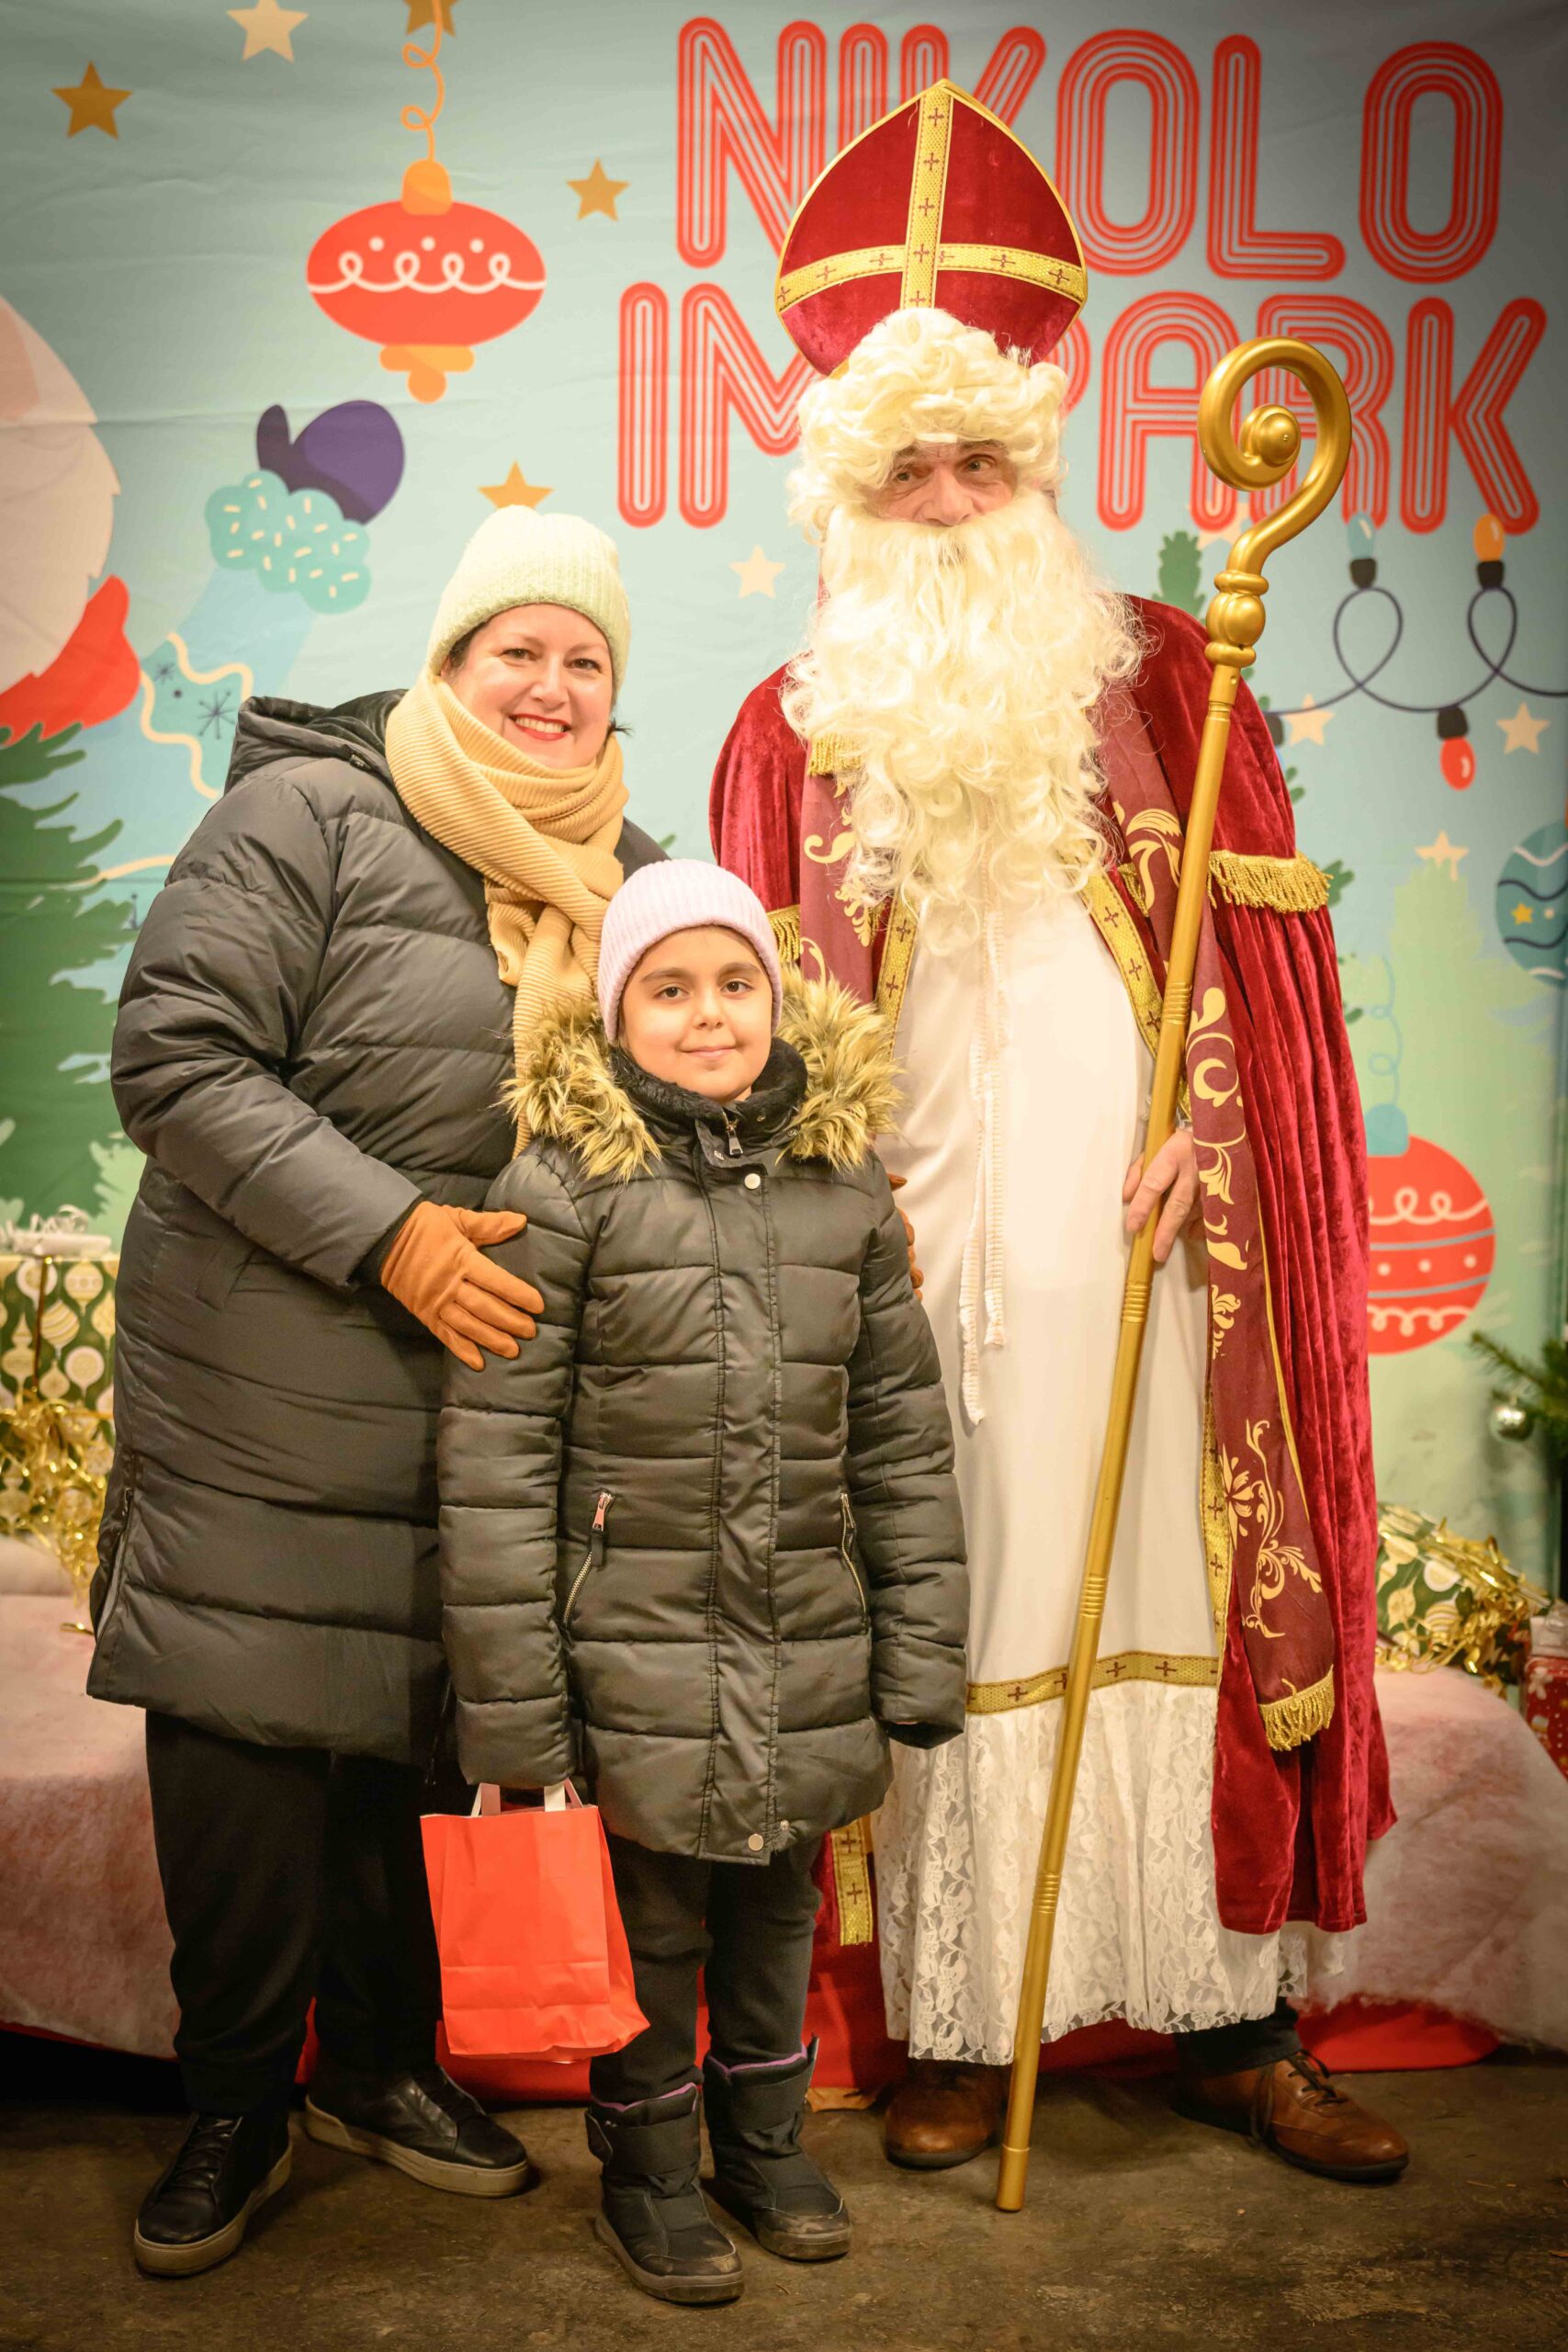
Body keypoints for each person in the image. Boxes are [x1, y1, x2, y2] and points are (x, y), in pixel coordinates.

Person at [712, 82, 1407, 2185]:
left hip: (1153, 1251)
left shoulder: (1179, 680)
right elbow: (740, 1042)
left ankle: (1226, 2019)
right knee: (956, 1615)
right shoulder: (785, 731)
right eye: (906, 466)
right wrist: (834, 1217)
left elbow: (1269, 1003)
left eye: (981, 460)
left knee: (1178, 1588)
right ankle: (954, 2020)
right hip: (914, 1268)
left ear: (1035, 469)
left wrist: (1218, 1141)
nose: (946, 499)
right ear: (850, 490)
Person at [89, 507, 665, 2275]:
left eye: (586, 660)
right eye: (519, 651)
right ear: (450, 659)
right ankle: (235, 2105)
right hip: (262, 1382)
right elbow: (175, 1056)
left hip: (478, 1410)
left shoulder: (634, 876)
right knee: (250, 1755)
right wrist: (394, 1234)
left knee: (417, 1754)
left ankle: (382, 2069)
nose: (552, 687)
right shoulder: (313, 814)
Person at [438, 859, 968, 2306]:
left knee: (780, 1914)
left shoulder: (844, 1190)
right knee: (656, 1926)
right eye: (667, 990)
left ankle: (767, 2144)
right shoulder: (563, 1188)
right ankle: (650, 2169)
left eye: (736, 982)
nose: (709, 1014)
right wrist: (520, 1708)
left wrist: (920, 1648)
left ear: (776, 999)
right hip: (636, 1651)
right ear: (616, 1017)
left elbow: (900, 1440)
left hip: (805, 1641)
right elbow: (497, 1462)